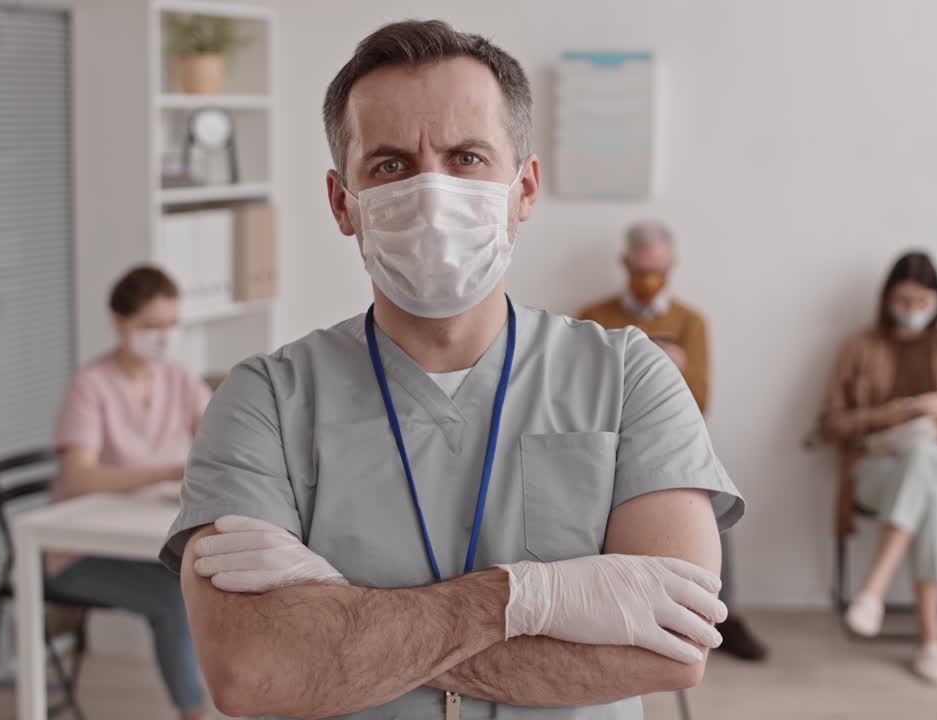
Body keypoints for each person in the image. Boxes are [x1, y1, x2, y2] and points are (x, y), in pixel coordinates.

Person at [159, 20, 743, 720]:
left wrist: (345, 622)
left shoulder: (628, 379)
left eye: (466, 157)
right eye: (391, 165)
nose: (432, 197)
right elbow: (251, 674)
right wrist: (528, 599)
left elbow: (672, 650)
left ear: (524, 189)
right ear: (342, 202)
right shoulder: (263, 400)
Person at [578, 219, 766, 662]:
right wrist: (660, 362)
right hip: (607, 432)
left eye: (658, 269)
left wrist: (656, 368)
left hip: (669, 434)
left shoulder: (690, 321)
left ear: (673, 266)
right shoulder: (593, 316)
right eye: (641, 269)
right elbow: (581, 391)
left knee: (709, 488)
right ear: (625, 264)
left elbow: (699, 399)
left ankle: (721, 611)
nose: (649, 279)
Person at [817, 251, 937, 684]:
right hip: (877, 469)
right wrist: (897, 412)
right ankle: (931, 637)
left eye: (921, 302)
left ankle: (874, 589)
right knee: (923, 478)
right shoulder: (861, 345)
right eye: (904, 301)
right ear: (888, 298)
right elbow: (830, 425)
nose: (912, 312)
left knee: (928, 458)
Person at [51, 265, 210, 720]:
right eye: (150, 327)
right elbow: (80, 476)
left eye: (170, 325)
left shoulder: (177, 379)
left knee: (216, 578)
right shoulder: (91, 386)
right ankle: (194, 713)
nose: (162, 337)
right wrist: (163, 471)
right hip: (77, 551)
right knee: (175, 598)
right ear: (120, 323)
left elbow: (220, 436)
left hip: (145, 536)